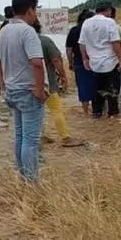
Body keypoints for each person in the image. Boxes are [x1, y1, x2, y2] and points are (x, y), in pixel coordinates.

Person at [0, 0, 47, 183]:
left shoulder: (4, 31)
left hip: (13, 91)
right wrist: (40, 90)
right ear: (30, 9)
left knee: (20, 136)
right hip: (28, 91)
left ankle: (24, 176)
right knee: (30, 140)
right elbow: (37, 63)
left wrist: (3, 82)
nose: (36, 14)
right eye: (35, 10)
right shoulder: (27, 32)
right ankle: (31, 182)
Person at [33, 19, 85, 147]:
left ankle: (39, 135)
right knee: (56, 110)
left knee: (34, 111)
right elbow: (56, 59)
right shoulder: (45, 41)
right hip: (47, 82)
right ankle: (65, 137)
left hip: (27, 83)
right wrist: (63, 75)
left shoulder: (21, 42)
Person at [78, 1, 121, 118]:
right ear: (108, 10)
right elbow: (115, 43)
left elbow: (82, 44)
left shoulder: (86, 23)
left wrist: (84, 59)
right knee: (112, 90)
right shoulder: (110, 22)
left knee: (97, 89)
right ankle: (113, 113)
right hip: (110, 62)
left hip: (94, 63)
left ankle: (97, 112)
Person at [65, 9, 95, 116]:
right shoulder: (94, 29)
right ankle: (98, 110)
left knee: (83, 86)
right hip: (97, 62)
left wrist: (70, 62)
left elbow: (68, 49)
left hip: (79, 62)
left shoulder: (74, 30)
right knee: (97, 84)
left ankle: (85, 110)